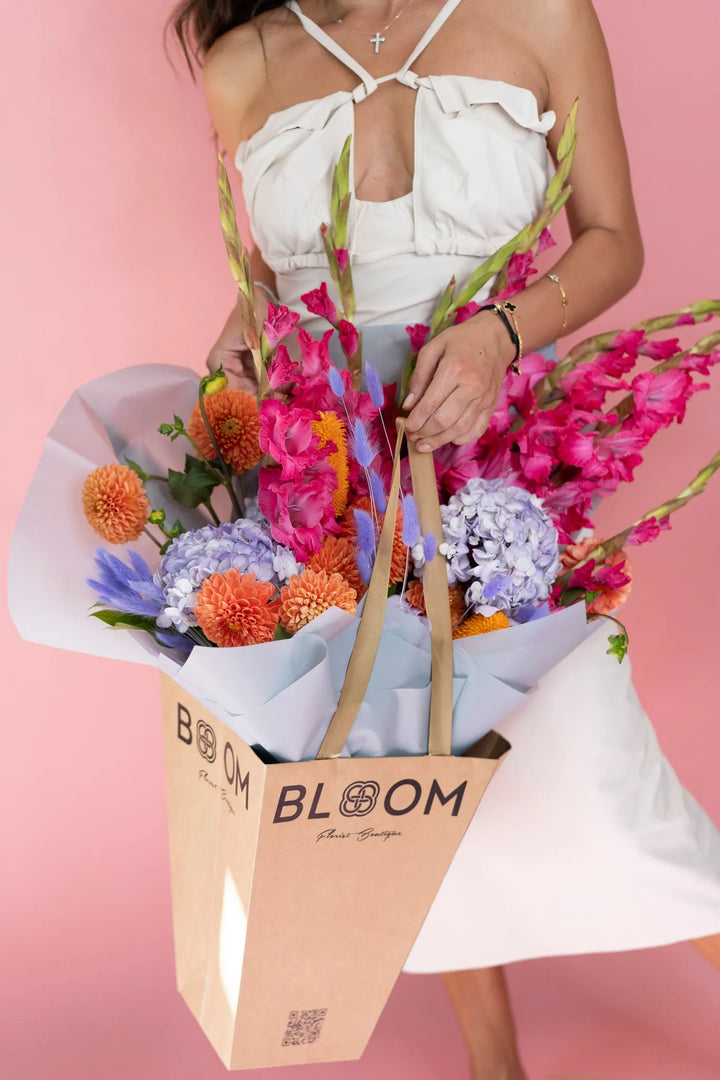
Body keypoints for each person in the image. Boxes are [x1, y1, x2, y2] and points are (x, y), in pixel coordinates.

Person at [169, 2, 720, 1077]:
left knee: (605, 783)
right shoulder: (241, 64)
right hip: (327, 495)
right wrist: (232, 369)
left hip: (500, 476)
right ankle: (494, 1067)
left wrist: (498, 337)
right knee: (415, 788)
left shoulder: (540, 14)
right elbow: (265, 296)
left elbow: (615, 241)